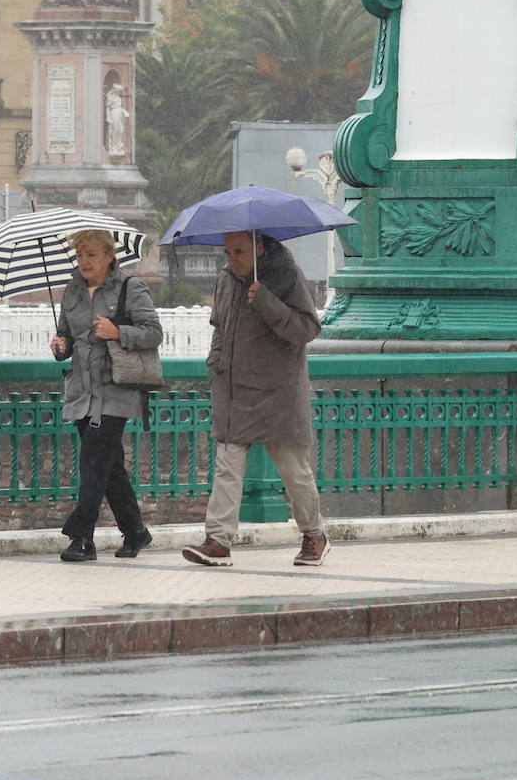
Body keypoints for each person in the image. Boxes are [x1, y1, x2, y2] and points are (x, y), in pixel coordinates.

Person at [182, 232, 327, 568]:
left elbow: (306, 329)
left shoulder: (286, 274)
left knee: (294, 471)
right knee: (227, 465)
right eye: (228, 252)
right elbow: (220, 328)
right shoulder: (226, 278)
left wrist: (267, 302)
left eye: (240, 252)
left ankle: (314, 534)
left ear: (259, 247)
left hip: (278, 390)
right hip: (235, 388)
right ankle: (217, 541)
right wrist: (215, 366)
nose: (232, 259)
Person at [50, 229, 162, 562]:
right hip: (82, 393)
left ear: (109, 256)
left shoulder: (130, 288)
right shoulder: (71, 291)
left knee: (93, 461)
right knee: (109, 466)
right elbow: (66, 334)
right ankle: (135, 531)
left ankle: (81, 536)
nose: (84, 261)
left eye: (91, 255)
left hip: (116, 391)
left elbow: (154, 332)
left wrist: (117, 332)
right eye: (80, 255)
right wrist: (61, 345)